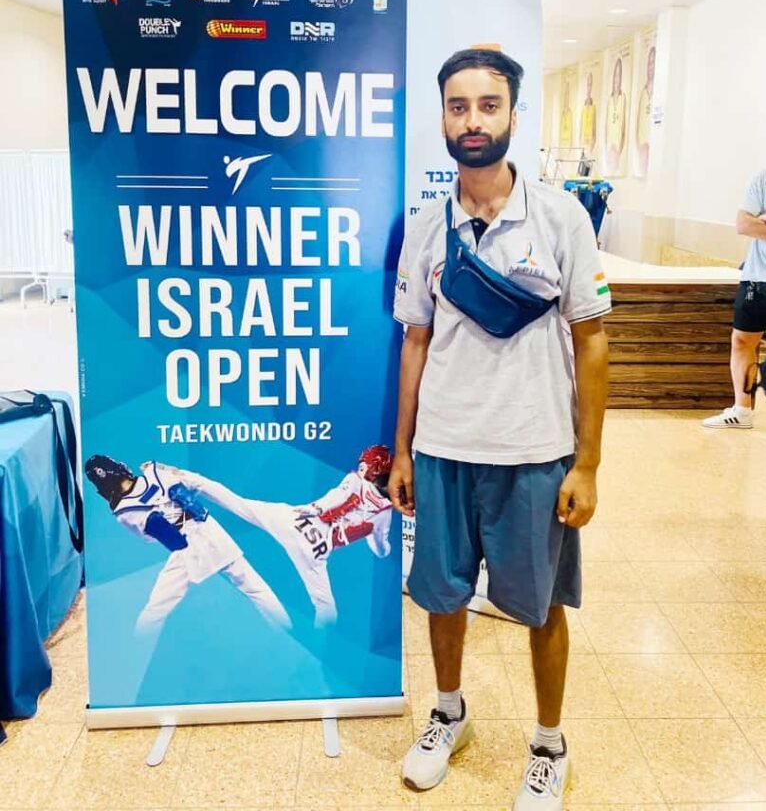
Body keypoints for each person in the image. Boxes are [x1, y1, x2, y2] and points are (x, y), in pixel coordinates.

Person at [390, 48, 610, 810]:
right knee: (441, 596)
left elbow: (593, 340)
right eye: (458, 106)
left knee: (543, 606)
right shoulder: (426, 227)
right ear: (443, 119)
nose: (473, 121)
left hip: (535, 449)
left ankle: (549, 745)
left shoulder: (561, 218)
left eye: (488, 105)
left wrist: (588, 463)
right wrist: (404, 450)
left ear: (514, 114)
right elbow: (415, 341)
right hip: (444, 449)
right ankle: (449, 713)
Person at [164, 444, 394, 627]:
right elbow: (381, 549)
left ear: (371, 467)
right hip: (315, 549)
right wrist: (372, 534)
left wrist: (315, 508)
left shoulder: (354, 480)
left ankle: (183, 476)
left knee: (238, 503)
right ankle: (316, 653)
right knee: (327, 611)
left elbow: (335, 497)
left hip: (294, 519)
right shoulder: (384, 512)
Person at [84, 455, 291, 633]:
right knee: (255, 589)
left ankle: (137, 643)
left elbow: (150, 538)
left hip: (185, 549)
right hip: (209, 531)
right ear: (120, 468)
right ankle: (287, 631)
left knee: (156, 608)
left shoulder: (124, 513)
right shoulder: (157, 472)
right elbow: (199, 483)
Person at [703, 170, 766, 428]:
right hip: (758, 279)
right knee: (742, 341)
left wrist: (763, 222)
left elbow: (754, 225)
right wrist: (755, 222)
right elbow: (744, 225)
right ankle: (742, 411)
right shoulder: (763, 179)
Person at [635, 46, 655, 176]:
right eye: (649, 63)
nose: (651, 67)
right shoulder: (642, 93)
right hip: (641, 145)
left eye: (653, 63)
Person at [604, 57, 627, 174]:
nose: (616, 79)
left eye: (619, 75)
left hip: (617, 147)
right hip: (609, 146)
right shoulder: (609, 100)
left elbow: (623, 127)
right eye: (615, 75)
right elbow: (606, 127)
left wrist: (619, 149)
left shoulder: (623, 98)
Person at [579, 71, 597, 152]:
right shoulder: (583, 108)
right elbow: (581, 125)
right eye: (588, 84)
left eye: (590, 84)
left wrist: (593, 141)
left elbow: (594, 126)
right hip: (583, 141)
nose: (589, 87)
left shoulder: (594, 107)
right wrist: (580, 140)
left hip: (590, 141)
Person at [558, 81, 573, 148]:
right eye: (565, 94)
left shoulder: (570, 113)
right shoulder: (561, 113)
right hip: (561, 144)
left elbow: (571, 131)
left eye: (568, 94)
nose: (566, 97)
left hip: (567, 145)